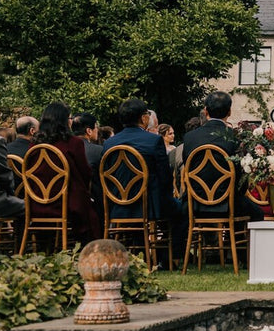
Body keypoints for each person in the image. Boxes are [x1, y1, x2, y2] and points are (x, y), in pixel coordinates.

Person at [102, 98, 184, 257]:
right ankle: (167, 257)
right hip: (149, 205)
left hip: (118, 204)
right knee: (182, 210)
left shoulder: (109, 144)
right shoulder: (153, 141)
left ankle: (139, 251)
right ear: (144, 118)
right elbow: (165, 177)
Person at [181, 91, 264, 221]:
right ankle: (236, 240)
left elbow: (188, 168)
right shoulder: (235, 137)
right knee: (258, 213)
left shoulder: (190, 137)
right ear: (229, 112)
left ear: (206, 111)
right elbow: (241, 175)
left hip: (195, 203)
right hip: (228, 203)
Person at [29, 102, 102, 245]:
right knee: (93, 208)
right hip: (68, 203)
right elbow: (85, 173)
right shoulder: (73, 143)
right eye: (69, 118)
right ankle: (89, 249)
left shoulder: (34, 145)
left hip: (38, 202)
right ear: (64, 121)